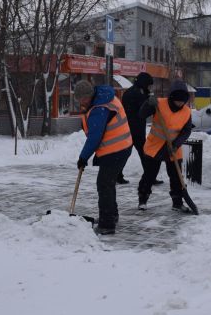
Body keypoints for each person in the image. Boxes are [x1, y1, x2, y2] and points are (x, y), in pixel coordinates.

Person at [74, 80, 133, 235]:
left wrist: (83, 157)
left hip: (116, 149)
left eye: (83, 99)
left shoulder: (99, 108)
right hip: (122, 146)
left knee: (104, 183)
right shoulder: (105, 98)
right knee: (108, 182)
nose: (81, 102)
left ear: (89, 95)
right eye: (79, 100)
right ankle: (111, 216)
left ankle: (107, 224)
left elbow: (94, 137)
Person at [136, 80, 193, 212]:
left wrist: (176, 144)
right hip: (155, 146)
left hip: (173, 148)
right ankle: (143, 199)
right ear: (171, 97)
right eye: (177, 100)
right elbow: (141, 114)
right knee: (149, 175)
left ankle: (177, 202)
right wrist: (147, 104)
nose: (180, 103)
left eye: (182, 101)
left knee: (176, 177)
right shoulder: (159, 104)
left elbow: (186, 131)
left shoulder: (186, 112)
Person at [118, 72, 163, 185]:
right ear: (144, 84)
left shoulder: (131, 91)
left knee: (125, 153)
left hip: (128, 128)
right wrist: (151, 103)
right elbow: (143, 111)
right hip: (136, 129)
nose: (150, 87)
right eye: (149, 85)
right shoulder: (138, 94)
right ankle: (150, 177)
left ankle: (117, 175)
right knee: (144, 154)